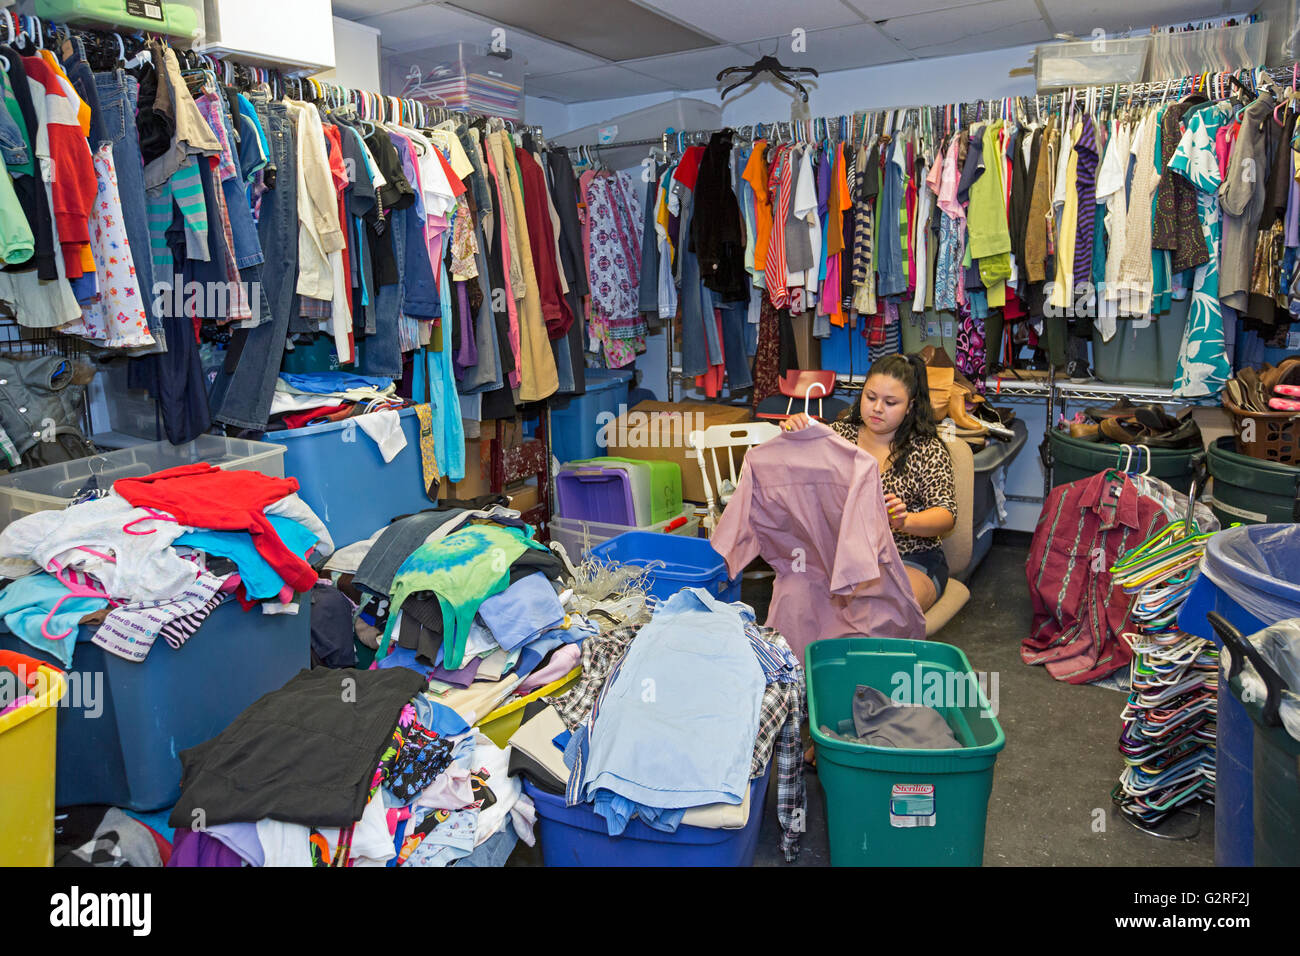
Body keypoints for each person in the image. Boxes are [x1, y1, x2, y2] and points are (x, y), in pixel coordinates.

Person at [783, 352, 957, 613]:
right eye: (871, 397)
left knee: (882, 610)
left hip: (910, 558)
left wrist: (906, 521)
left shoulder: (927, 449)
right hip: (843, 557)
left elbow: (946, 514)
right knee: (800, 601)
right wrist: (794, 435)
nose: (877, 408)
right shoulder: (838, 436)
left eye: (890, 402)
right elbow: (796, 474)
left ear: (910, 406)